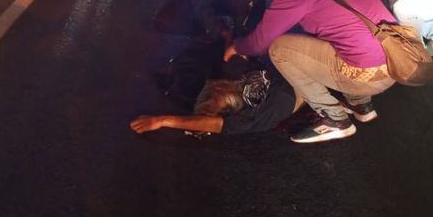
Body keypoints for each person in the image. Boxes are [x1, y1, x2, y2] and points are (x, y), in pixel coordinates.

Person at [224, 0, 398, 144]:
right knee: (343, 39)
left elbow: (260, 42)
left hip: (366, 77)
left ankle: (335, 119)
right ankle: (360, 104)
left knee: (280, 49)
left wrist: (236, 46)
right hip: (394, 63)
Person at [130, 61, 303, 136]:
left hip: (295, 82)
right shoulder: (249, 116)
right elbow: (214, 124)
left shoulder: (236, 76)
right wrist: (162, 121)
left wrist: (162, 120)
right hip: (297, 83)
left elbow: (213, 124)